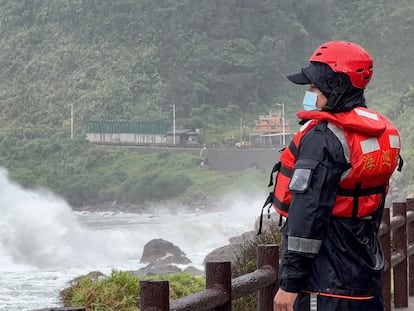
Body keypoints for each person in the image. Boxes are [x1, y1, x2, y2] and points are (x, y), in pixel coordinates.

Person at [270, 41, 403, 310]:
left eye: (315, 88)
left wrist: (289, 284)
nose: (310, 95)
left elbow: (307, 215)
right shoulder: (377, 134)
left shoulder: (322, 138)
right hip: (365, 277)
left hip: (324, 284)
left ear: (336, 87)